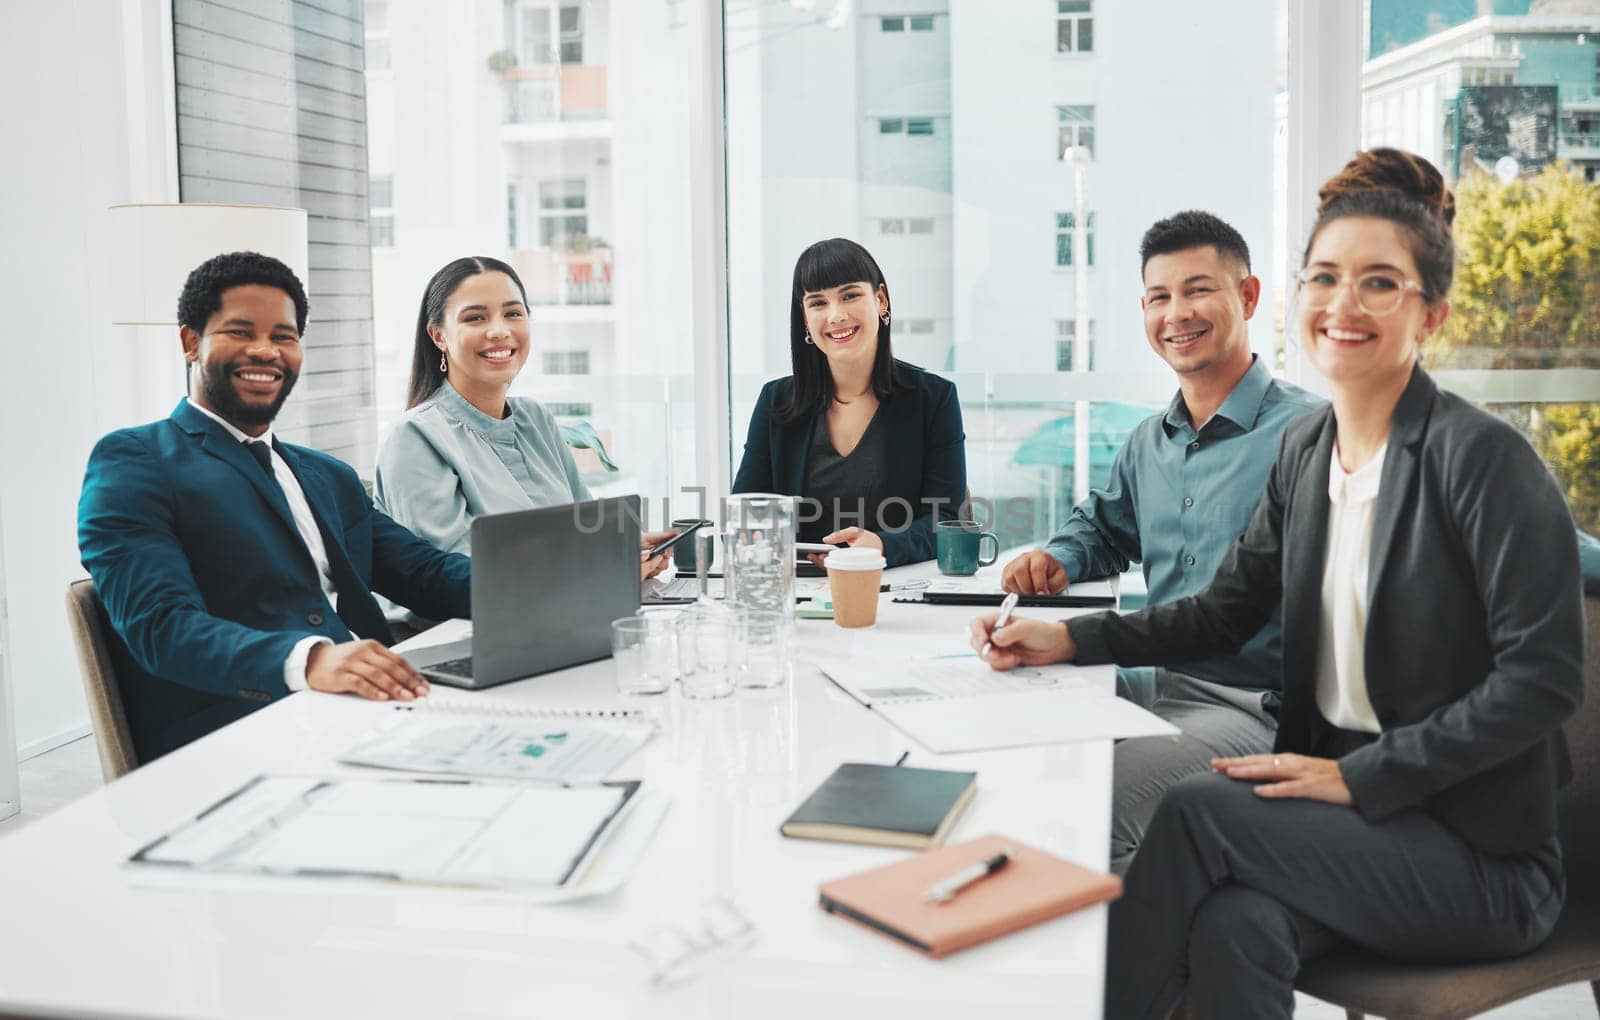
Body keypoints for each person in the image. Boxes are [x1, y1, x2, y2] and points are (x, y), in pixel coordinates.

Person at [970, 149, 1583, 1019]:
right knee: (1235, 925)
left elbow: (1544, 680)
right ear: (1294, 297)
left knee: (1193, 813)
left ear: (1432, 314)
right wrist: (1071, 637)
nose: (1342, 303)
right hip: (1361, 833)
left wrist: (1362, 779)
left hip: (1479, 860)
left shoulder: (1482, 461)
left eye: (1380, 283)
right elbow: (1225, 610)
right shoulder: (1307, 454)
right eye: (1325, 277)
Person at [1002, 211, 1321, 873]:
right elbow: (1100, 527)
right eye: (1159, 297)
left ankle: (1143, 969)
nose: (1177, 312)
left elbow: (1465, 510)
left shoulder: (1311, 432)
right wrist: (1057, 558)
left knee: (1088, 806)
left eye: (1198, 289)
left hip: (1251, 707)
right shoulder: (1151, 438)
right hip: (1154, 679)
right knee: (1010, 742)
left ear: (1250, 297)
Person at [79, 252, 473, 762]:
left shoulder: (325, 474)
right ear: (190, 342)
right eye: (240, 332)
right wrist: (312, 661)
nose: (265, 350)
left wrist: (538, 593)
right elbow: (162, 627)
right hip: (242, 740)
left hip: (376, 717)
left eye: (284, 337)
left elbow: (425, 572)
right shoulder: (136, 460)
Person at [373, 256, 673, 578]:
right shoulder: (415, 438)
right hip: (462, 624)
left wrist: (625, 547)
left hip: (564, 613)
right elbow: (455, 577)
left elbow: (583, 530)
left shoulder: (536, 420)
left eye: (513, 313)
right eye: (475, 318)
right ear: (438, 336)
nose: (499, 331)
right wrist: (603, 567)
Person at [733, 237, 966, 567]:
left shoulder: (935, 399)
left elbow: (946, 520)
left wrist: (881, 546)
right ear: (804, 319)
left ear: (880, 299)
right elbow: (746, 512)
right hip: (798, 588)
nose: (836, 315)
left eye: (850, 295)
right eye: (818, 303)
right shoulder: (776, 401)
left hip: (891, 584)